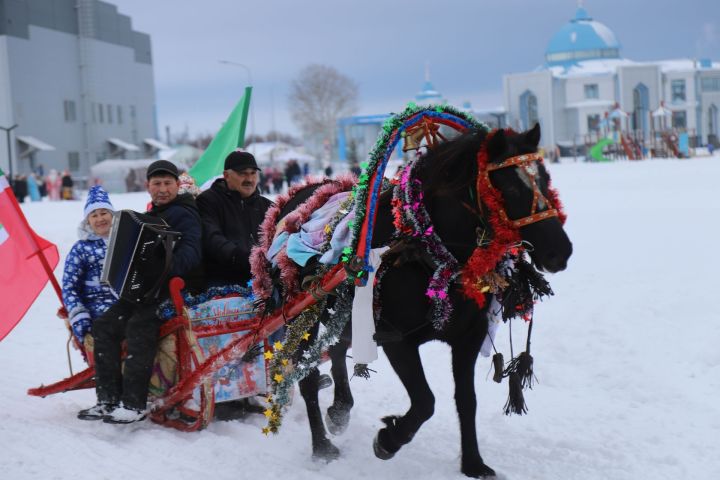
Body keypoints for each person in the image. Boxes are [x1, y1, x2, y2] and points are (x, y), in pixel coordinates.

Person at [78, 160, 203, 424]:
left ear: (177, 185)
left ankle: (134, 404)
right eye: (156, 184)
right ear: (147, 186)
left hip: (173, 292)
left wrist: (165, 267)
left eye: (167, 183)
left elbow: (191, 252)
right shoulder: (151, 214)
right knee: (105, 326)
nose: (162, 189)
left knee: (139, 325)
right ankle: (107, 399)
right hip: (146, 291)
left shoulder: (184, 213)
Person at [196, 150, 272, 286]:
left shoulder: (268, 206)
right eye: (242, 173)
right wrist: (237, 256)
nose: (249, 179)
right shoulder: (208, 201)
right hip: (221, 282)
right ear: (226, 175)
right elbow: (211, 237)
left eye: (253, 173)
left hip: (262, 280)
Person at [61, 186, 117, 349]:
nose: (100, 219)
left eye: (104, 213)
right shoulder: (81, 248)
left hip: (126, 305)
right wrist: (79, 315)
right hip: (97, 308)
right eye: (94, 215)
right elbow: (70, 287)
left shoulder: (125, 240)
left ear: (112, 216)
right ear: (88, 221)